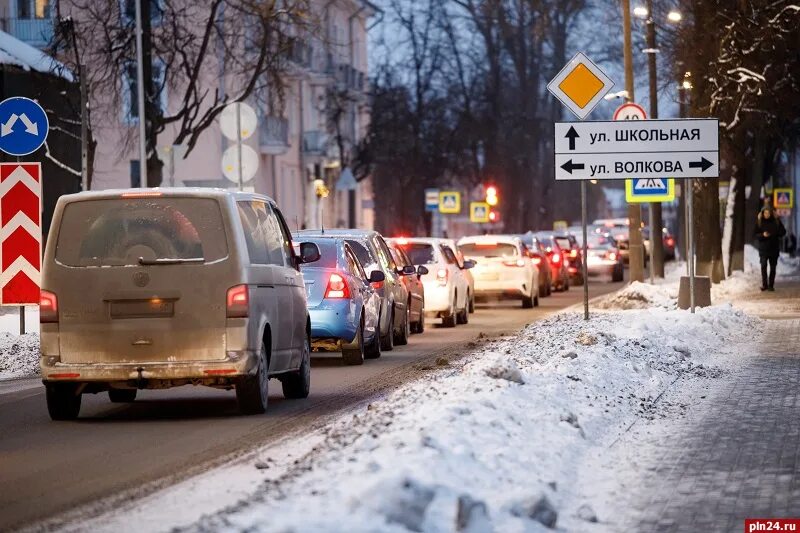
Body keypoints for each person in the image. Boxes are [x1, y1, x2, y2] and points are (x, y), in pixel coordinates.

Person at [754, 206, 786, 291]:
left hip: (774, 248)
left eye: (768, 213)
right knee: (763, 266)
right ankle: (764, 285)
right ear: (762, 213)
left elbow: (783, 232)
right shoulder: (759, 222)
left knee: (773, 267)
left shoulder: (776, 221)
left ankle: (771, 285)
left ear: (771, 213)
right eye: (765, 213)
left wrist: (776, 233)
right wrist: (762, 235)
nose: (766, 214)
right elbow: (755, 234)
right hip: (763, 249)